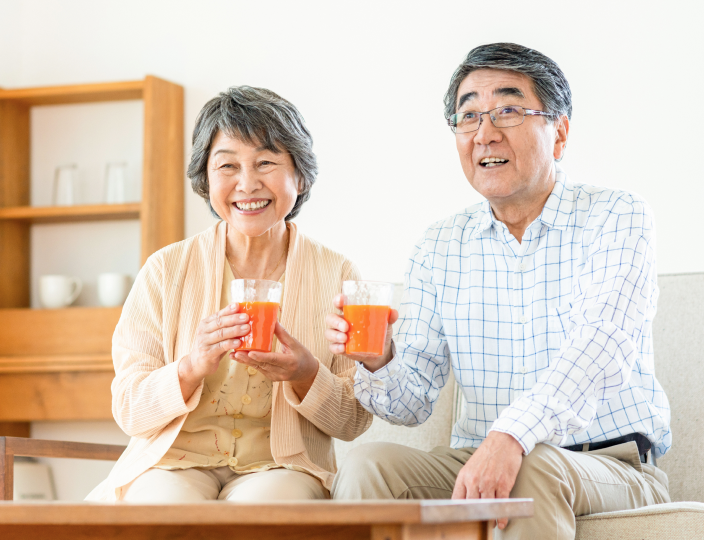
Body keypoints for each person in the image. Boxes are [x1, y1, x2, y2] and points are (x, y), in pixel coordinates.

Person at [326, 43, 671, 539]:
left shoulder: (617, 216)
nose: (485, 133)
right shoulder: (438, 245)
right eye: (469, 116)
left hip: (611, 465)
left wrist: (513, 436)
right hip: (478, 455)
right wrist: (380, 359)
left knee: (532, 468)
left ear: (559, 134)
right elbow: (411, 402)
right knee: (367, 466)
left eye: (508, 110)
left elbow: (601, 347)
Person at [86, 86, 371, 502]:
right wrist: (190, 367)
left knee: (265, 510)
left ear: (301, 175)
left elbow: (353, 421)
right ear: (205, 177)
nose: (247, 183)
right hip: (171, 462)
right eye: (228, 166)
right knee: (167, 511)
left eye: (266, 162)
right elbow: (129, 408)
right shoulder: (165, 270)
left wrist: (306, 374)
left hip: (282, 465)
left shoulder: (339, 274)